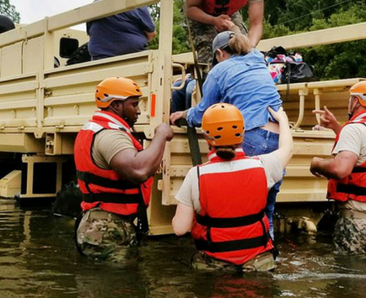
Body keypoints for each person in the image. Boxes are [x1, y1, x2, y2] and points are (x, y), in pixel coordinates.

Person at [169, 30, 284, 238]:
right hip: (278, 136)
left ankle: (231, 255)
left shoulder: (220, 69)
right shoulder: (259, 60)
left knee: (238, 206)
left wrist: (184, 114)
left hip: (251, 134)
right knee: (265, 210)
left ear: (220, 53)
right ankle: (266, 253)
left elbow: (205, 111)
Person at [172, 103, 293, 272]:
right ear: (242, 135)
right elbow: (287, 149)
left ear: (207, 138)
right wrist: (282, 120)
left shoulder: (196, 175)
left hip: (216, 266)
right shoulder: (263, 166)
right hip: (258, 264)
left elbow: (180, 229)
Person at [74, 76, 174, 262]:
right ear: (116, 106)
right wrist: (161, 134)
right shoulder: (110, 135)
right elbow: (139, 171)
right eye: (134, 105)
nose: (138, 111)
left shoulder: (99, 128)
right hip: (106, 227)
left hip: (103, 222)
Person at [309, 81, 366, 254]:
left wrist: (316, 163)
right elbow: (365, 155)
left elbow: (341, 169)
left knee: (350, 278)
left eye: (351, 99)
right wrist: (337, 127)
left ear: (357, 101)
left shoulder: (355, 129)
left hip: (356, 223)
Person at [87, 0, 156, 61]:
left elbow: (90, 32)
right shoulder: (135, 2)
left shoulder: (95, 5)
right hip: (132, 60)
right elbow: (151, 34)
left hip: (98, 61)